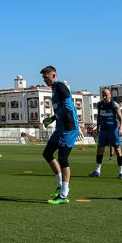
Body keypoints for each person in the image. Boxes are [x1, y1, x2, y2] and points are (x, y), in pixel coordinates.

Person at [39, 66, 79, 205]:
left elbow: (68, 107)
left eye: (46, 77)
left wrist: (52, 118)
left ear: (54, 75)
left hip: (69, 127)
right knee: (47, 153)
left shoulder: (61, 87)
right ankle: (60, 184)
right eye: (43, 77)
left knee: (63, 158)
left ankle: (64, 195)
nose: (44, 79)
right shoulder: (54, 89)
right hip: (60, 128)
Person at [89, 88, 122, 179]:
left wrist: (120, 129)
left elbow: (121, 118)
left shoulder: (114, 104)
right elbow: (98, 118)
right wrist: (97, 128)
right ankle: (97, 171)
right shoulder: (100, 104)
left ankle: (121, 173)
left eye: (106, 94)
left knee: (117, 150)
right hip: (103, 131)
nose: (104, 96)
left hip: (113, 131)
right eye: (103, 94)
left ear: (110, 95)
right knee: (99, 149)